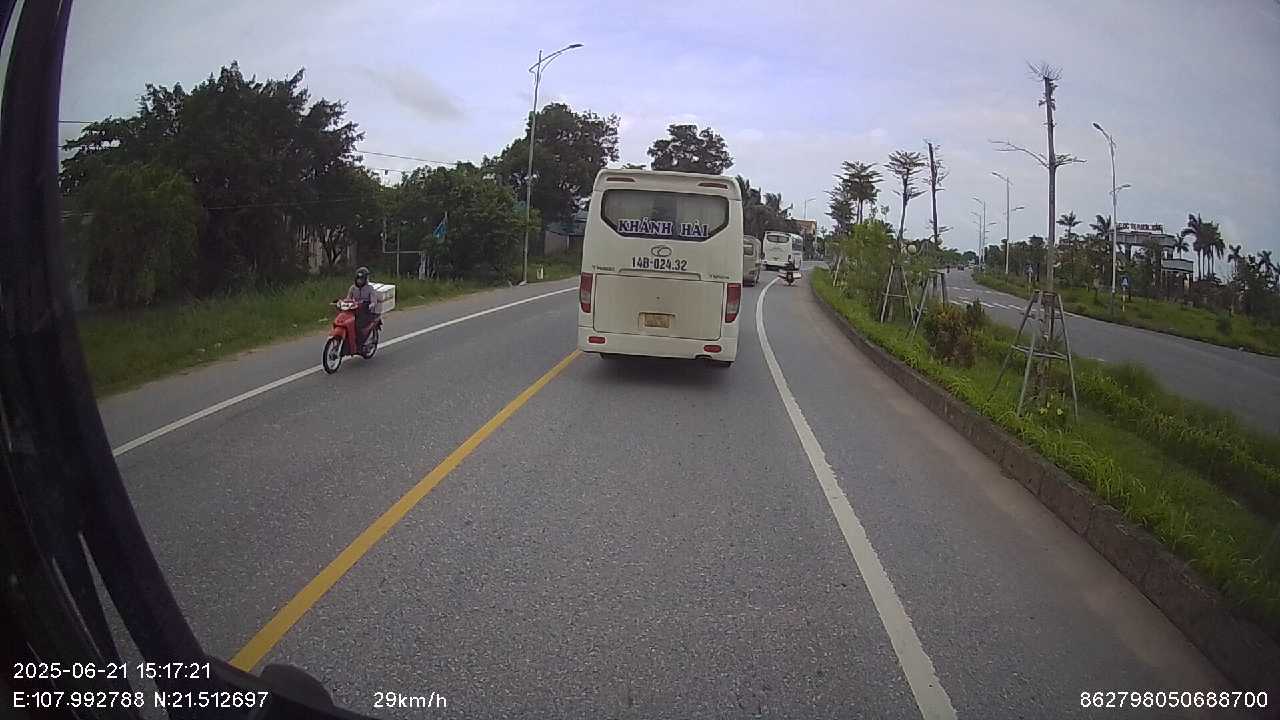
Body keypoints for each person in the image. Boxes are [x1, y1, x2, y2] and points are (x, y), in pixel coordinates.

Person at [345, 267, 380, 349]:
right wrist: (343, 302)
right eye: (358, 279)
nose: (359, 281)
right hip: (354, 310)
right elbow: (348, 298)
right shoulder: (353, 288)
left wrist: (371, 305)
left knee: (358, 326)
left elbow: (374, 300)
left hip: (366, 312)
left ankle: (360, 344)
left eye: (362, 279)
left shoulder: (370, 288)